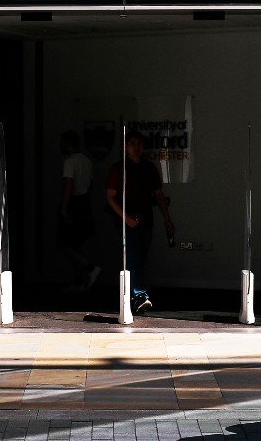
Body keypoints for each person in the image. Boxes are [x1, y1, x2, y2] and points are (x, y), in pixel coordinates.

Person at [105, 131, 175, 314]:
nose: (136, 147)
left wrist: (167, 218)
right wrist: (125, 217)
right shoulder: (118, 168)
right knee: (134, 258)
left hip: (146, 221)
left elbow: (158, 195)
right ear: (126, 146)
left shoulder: (149, 168)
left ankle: (133, 296)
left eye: (139, 144)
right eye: (132, 143)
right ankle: (140, 296)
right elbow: (110, 197)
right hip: (126, 223)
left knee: (139, 260)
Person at [57, 130, 100, 290]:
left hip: (74, 202)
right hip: (84, 202)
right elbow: (91, 186)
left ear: (67, 144)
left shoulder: (70, 162)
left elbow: (69, 184)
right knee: (76, 243)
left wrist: (64, 207)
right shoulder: (87, 161)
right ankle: (78, 280)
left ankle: (91, 269)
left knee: (64, 243)